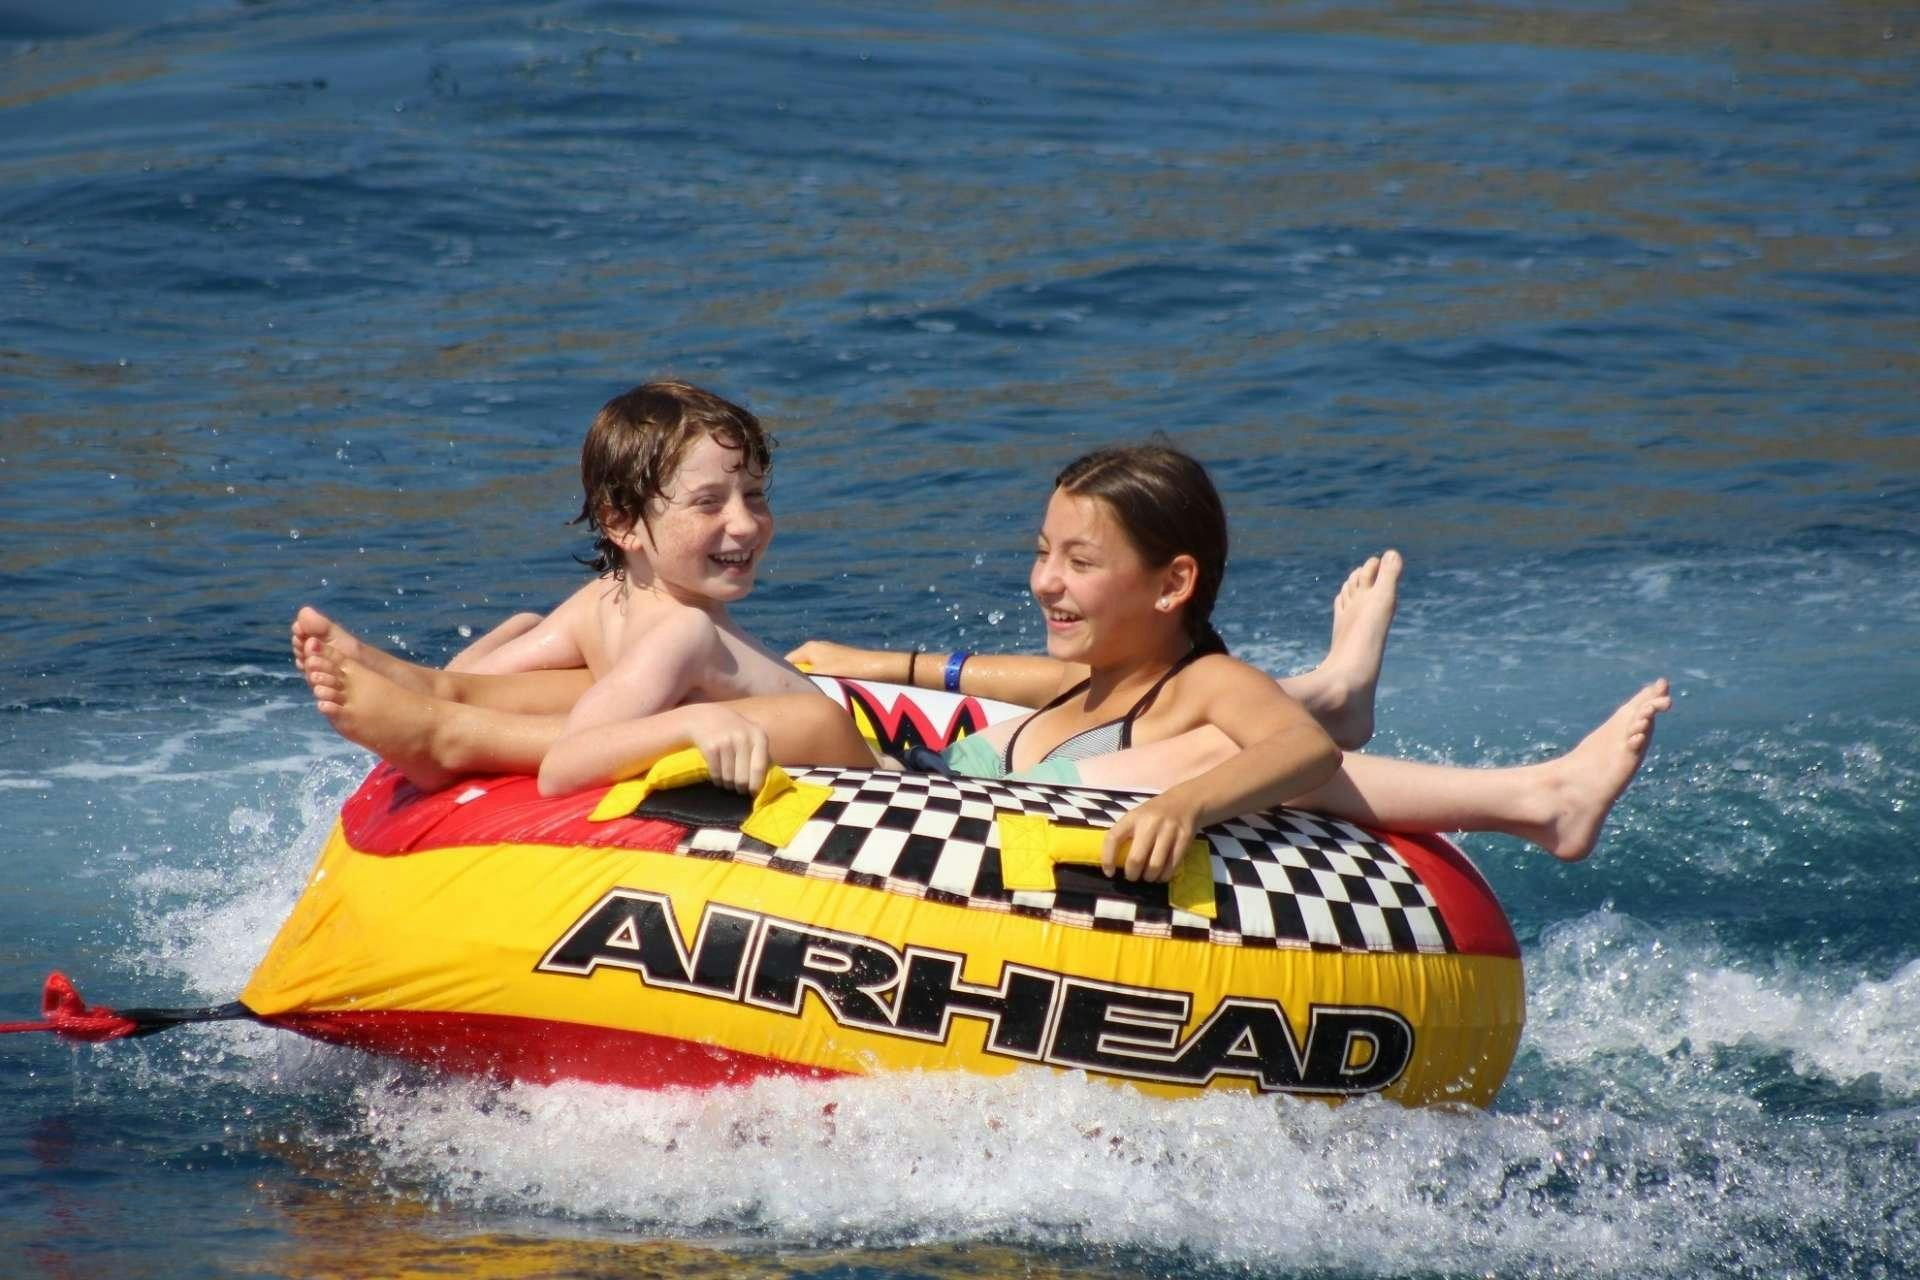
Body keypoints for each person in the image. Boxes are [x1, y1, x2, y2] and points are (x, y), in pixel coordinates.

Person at [786, 444, 1671, 882]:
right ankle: (1337, 687)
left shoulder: (1207, 688)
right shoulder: (1086, 682)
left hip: (1035, 831)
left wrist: (1187, 805)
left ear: (1173, 584)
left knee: (1209, 747)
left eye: (1081, 564)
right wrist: (874, 661)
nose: (1047, 582)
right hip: (926, 793)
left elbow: (1302, 756)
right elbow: (1018, 678)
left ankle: (1536, 799)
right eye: (1041, 552)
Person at [292, 381, 873, 795]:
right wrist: (693, 725)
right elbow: (566, 765)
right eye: (708, 503)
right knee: (818, 718)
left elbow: (497, 683)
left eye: (755, 495)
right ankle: (442, 732)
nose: (745, 524)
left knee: (573, 678)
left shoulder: (602, 599)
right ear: (621, 522)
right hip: (872, 776)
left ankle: (434, 698)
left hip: (859, 763)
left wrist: (455, 681)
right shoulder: (688, 630)